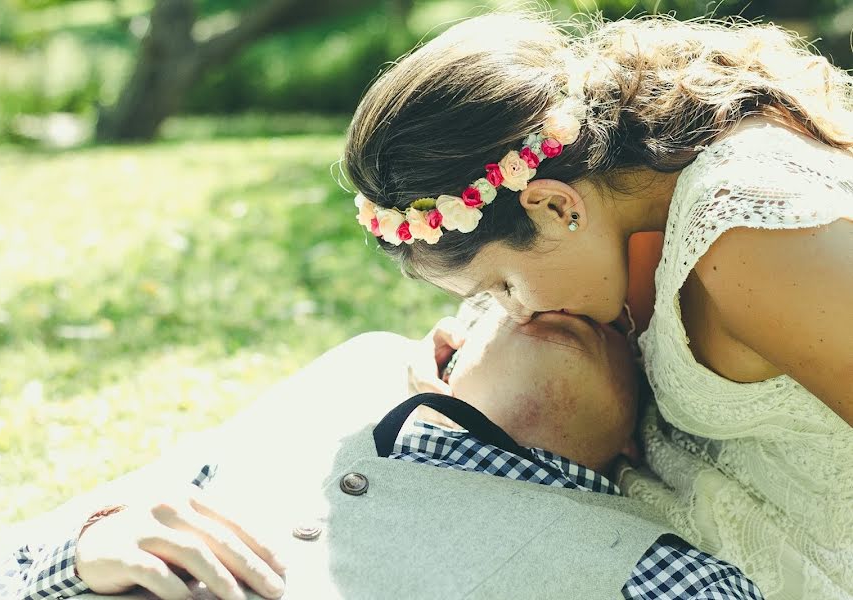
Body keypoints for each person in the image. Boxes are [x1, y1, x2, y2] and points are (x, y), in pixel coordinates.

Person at [343, 10, 852, 599]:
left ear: (556, 208)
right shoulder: (629, 216)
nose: (512, 314)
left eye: (500, 287)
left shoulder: (749, 238)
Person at [0, 299, 764, 599]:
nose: (530, 299)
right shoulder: (316, 409)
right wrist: (85, 551)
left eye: (619, 320)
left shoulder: (660, 572)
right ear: (443, 349)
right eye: (493, 295)